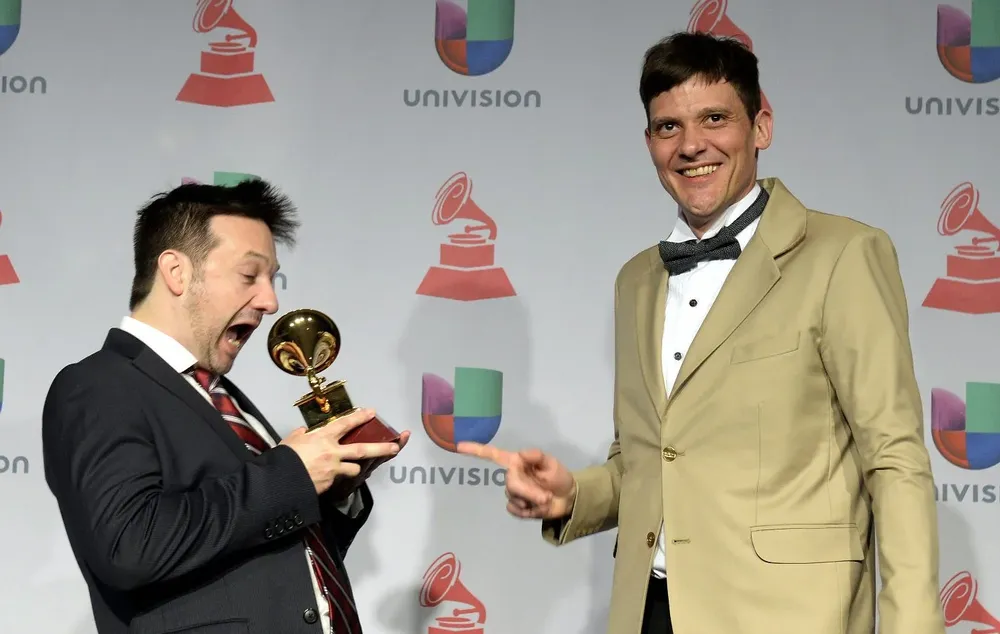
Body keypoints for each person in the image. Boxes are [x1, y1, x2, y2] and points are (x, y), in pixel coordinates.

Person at [457, 31, 946, 634]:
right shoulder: (636, 280)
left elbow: (894, 460)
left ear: (761, 125)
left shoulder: (843, 255)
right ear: (649, 143)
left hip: (788, 616)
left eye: (714, 118)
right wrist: (572, 497)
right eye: (668, 127)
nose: (691, 146)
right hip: (650, 613)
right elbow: (651, 462)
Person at [41, 178, 409, 634]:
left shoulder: (224, 398)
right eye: (249, 275)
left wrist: (328, 492)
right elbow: (130, 546)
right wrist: (292, 474)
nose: (270, 301)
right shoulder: (98, 385)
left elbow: (268, 567)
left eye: (272, 279)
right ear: (177, 272)